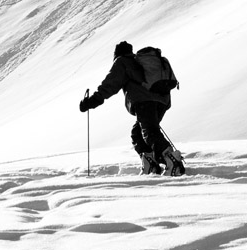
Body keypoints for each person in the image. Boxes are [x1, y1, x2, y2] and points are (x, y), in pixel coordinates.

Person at [79, 41, 185, 176]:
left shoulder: (122, 62)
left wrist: (92, 101)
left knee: (149, 132)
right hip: (162, 101)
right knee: (138, 133)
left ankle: (173, 161)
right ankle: (151, 165)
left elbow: (110, 85)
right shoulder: (139, 63)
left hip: (145, 102)